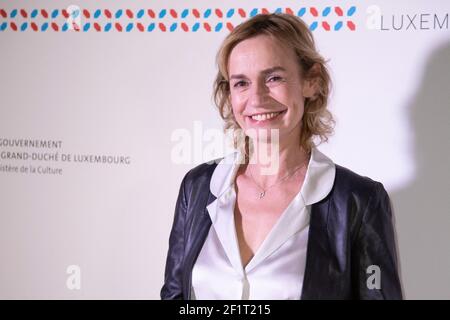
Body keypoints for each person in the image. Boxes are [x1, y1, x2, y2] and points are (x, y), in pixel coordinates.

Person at [161, 13, 402, 300]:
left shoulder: (359, 200)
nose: (257, 98)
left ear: (311, 82)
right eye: (241, 83)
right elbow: (174, 296)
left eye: (273, 77)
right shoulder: (198, 186)